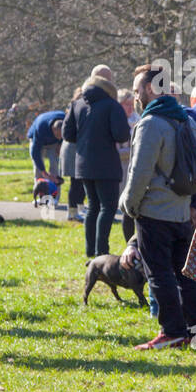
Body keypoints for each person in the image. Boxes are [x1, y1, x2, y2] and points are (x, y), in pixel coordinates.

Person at [121, 65, 196, 349]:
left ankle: (171, 331)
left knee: (159, 273)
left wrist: (130, 207)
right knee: (186, 273)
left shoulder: (150, 123)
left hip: (155, 211)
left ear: (149, 89)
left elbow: (139, 172)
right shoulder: (188, 120)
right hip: (183, 208)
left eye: (136, 90)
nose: (135, 97)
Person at [62, 67, 131, 257]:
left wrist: (86, 140)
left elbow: (67, 134)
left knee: (92, 206)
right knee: (108, 207)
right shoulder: (112, 105)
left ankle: (90, 251)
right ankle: (102, 251)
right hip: (107, 163)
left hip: (83, 163)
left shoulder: (77, 104)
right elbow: (122, 134)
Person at [117, 89, 141, 241]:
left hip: (136, 167)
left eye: (132, 104)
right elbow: (116, 151)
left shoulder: (138, 119)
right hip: (121, 167)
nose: (130, 108)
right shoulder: (117, 122)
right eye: (126, 105)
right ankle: (129, 243)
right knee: (126, 206)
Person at [27, 109, 64, 181]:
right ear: (53, 129)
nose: (59, 137)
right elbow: (35, 152)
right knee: (39, 171)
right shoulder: (41, 127)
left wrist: (60, 144)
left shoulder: (67, 121)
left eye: (61, 136)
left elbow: (66, 136)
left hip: (53, 143)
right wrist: (43, 172)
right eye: (58, 135)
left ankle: (55, 190)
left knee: (55, 167)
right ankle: (40, 189)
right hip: (37, 140)